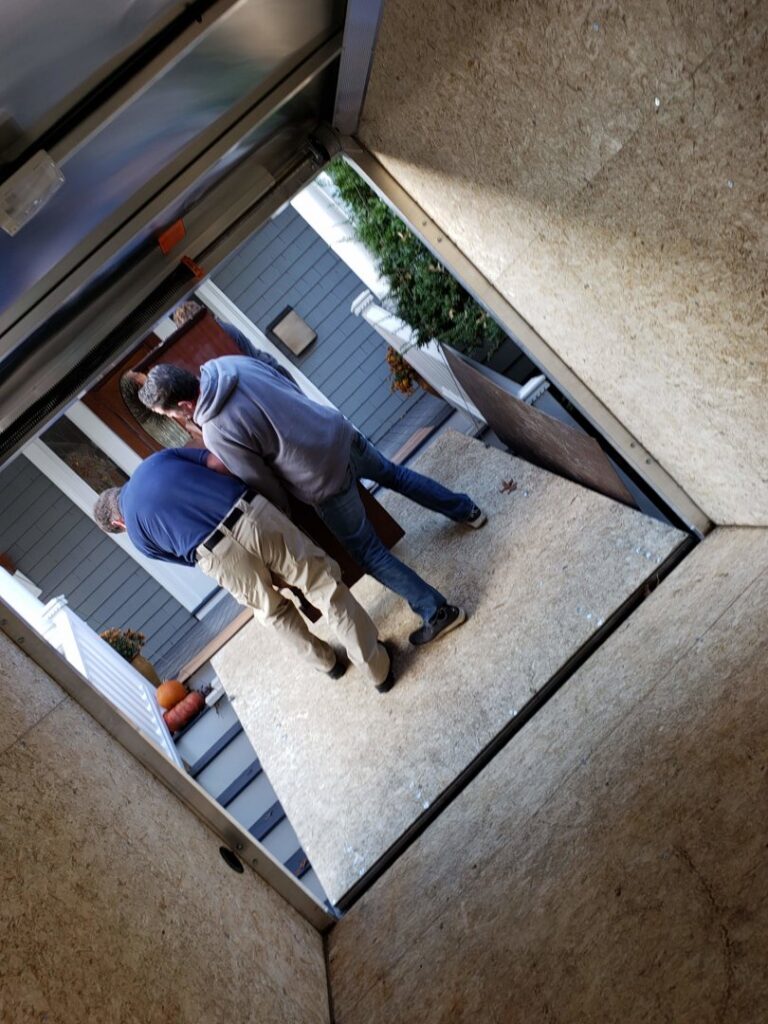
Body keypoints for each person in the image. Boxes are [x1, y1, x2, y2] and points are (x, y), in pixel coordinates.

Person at [138, 355, 487, 646]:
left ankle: (437, 612)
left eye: (170, 415)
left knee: (369, 553)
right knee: (395, 476)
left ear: (184, 405)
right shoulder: (227, 364)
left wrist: (286, 519)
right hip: (338, 431)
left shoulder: (216, 431)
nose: (175, 419)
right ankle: (467, 510)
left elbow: (260, 481)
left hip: (321, 478)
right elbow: (280, 372)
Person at [93, 448, 395, 692]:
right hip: (247, 512)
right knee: (321, 584)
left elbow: (186, 558)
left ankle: (328, 664)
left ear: (117, 523)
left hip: (213, 554)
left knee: (273, 612)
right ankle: (377, 669)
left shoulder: (137, 536)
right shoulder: (153, 462)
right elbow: (216, 462)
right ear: (117, 491)